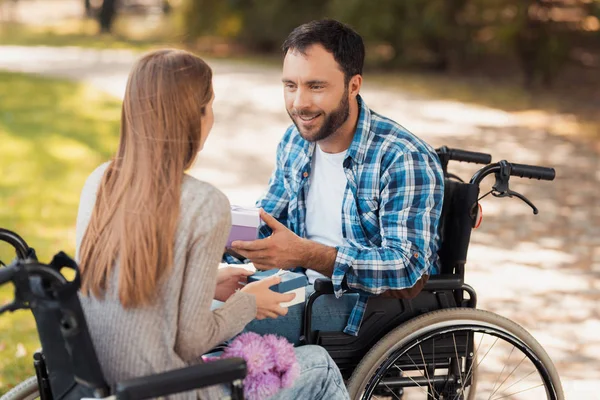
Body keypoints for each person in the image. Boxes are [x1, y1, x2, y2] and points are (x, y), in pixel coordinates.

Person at [75, 49, 349, 400]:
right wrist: (249, 303)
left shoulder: (99, 181)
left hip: (105, 384)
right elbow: (192, 338)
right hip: (170, 391)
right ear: (194, 116)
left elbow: (128, 289)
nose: (212, 118)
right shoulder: (204, 204)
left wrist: (205, 286)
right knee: (320, 363)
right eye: (210, 106)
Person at [227, 20, 445, 344]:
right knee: (185, 300)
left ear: (353, 86)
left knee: (214, 323)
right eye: (290, 85)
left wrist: (306, 254)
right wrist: (205, 234)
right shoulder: (295, 140)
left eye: (316, 86)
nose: (299, 103)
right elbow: (264, 219)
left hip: (360, 307)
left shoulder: (402, 157)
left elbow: (407, 269)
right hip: (297, 284)